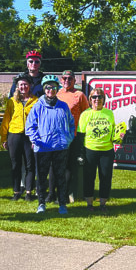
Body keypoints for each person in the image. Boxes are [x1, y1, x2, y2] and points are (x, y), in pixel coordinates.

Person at [25, 74, 74, 215]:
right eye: (48, 87)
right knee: (41, 177)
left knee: (60, 177)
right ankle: (41, 203)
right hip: (43, 148)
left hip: (60, 147)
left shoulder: (63, 106)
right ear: (44, 89)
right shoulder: (37, 106)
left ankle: (62, 204)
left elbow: (71, 124)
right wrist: (36, 139)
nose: (50, 90)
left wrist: (68, 138)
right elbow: (30, 126)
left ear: (57, 89)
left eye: (53, 87)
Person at [77, 88, 122, 212]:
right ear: (90, 99)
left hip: (107, 150)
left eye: (100, 97)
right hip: (90, 150)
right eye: (94, 97)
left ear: (104, 99)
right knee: (89, 177)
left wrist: (119, 137)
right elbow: (80, 135)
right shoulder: (85, 114)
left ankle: (103, 204)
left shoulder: (109, 113)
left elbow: (113, 132)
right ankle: (89, 204)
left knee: (106, 177)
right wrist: (80, 154)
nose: (97, 99)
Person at [50, 70, 90, 200]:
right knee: (55, 165)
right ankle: (52, 194)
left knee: (68, 166)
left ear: (74, 80)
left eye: (70, 78)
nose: (67, 81)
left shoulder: (79, 95)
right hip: (56, 136)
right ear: (61, 80)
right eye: (64, 78)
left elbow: (86, 114)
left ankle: (64, 195)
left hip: (72, 136)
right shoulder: (56, 93)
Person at [0, 74, 38, 201]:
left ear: (30, 86)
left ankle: (28, 192)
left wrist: (37, 138)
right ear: (17, 87)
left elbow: (39, 120)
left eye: (26, 84)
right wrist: (3, 137)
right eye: (21, 84)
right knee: (15, 164)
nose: (23, 87)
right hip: (14, 135)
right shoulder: (12, 101)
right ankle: (16, 191)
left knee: (30, 164)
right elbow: (6, 119)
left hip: (29, 136)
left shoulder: (36, 101)